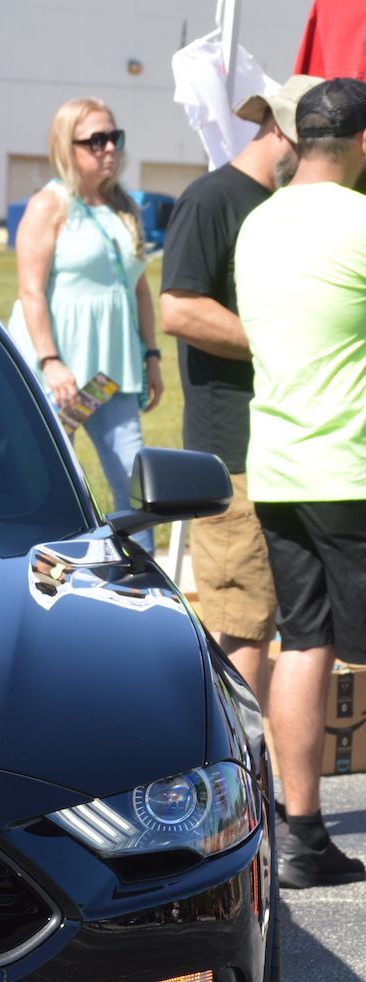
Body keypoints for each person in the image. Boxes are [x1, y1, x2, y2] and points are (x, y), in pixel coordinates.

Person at [233, 77, 366, 889]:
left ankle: (301, 835)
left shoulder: (257, 225)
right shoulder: (359, 221)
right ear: (361, 143)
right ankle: (305, 838)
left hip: (279, 463)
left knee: (305, 642)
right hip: (351, 464)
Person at [161, 76, 318, 713]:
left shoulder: (279, 204)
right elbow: (179, 309)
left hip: (285, 448)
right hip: (233, 456)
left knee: (277, 623)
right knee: (245, 626)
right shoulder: (212, 198)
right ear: (281, 132)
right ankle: (239, 785)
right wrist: (278, 341)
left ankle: (269, 778)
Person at [7, 97, 164, 553]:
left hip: (109, 377)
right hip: (64, 378)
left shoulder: (125, 207)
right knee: (51, 488)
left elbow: (138, 289)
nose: (109, 148)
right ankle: (44, 582)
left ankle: (141, 591)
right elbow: (30, 290)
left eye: (114, 137)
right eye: (95, 140)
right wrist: (51, 362)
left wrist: (152, 355)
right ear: (66, 145)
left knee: (136, 486)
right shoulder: (49, 205)